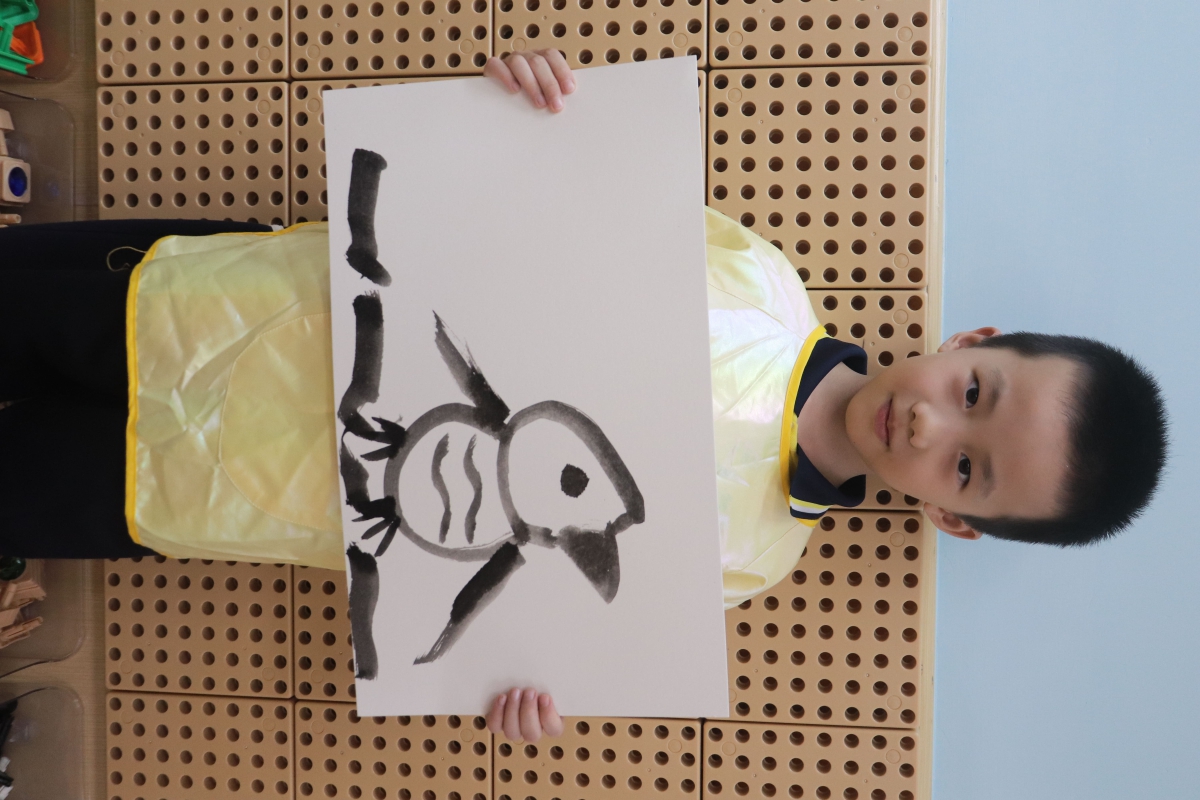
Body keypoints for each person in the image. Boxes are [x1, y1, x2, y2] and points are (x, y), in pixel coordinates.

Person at [0, 51, 1168, 743]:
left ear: (952, 516)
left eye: (966, 463)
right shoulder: (756, 277)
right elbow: (523, 215)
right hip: (213, 305)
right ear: (970, 341)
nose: (931, 423)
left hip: (202, 490)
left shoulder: (752, 558)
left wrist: (509, 677)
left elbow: (522, 602)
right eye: (975, 391)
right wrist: (514, 111)